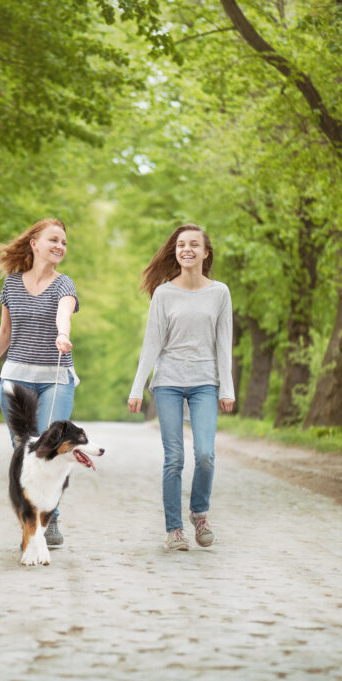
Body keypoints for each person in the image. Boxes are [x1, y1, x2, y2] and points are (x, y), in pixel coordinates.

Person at [0, 217, 79, 546]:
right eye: (53, 240)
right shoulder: (12, 284)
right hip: (15, 379)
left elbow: (64, 312)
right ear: (34, 244)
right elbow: (5, 333)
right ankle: (32, 517)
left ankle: (51, 518)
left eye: (63, 242)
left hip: (55, 379)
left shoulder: (65, 284)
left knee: (51, 448)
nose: (60, 246)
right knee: (25, 451)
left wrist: (62, 333)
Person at [128, 223, 235, 551]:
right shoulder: (163, 293)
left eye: (193, 244)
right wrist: (137, 387)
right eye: (180, 245)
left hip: (205, 381)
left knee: (204, 454)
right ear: (176, 252)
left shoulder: (219, 293)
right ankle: (174, 529)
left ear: (206, 252)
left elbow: (223, 343)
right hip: (168, 383)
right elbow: (151, 344)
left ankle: (199, 513)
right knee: (174, 457)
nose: (186, 249)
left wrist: (226, 388)